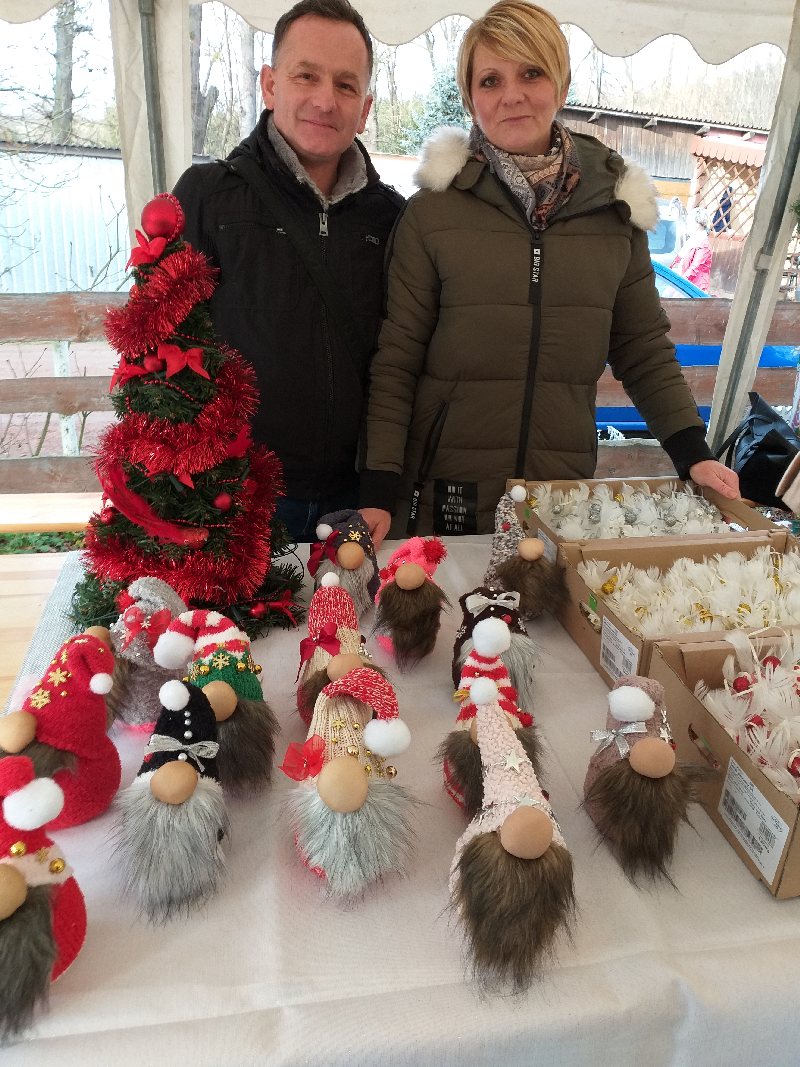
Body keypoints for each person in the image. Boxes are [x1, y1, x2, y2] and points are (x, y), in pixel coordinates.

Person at [358, 0, 738, 545]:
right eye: (490, 80)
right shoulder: (432, 214)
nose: (511, 94)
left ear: (561, 85)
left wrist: (692, 453)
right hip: (446, 490)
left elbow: (642, 348)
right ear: (470, 97)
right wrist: (378, 486)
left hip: (559, 493)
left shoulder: (615, 213)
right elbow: (396, 360)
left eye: (531, 73)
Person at [173, 0, 404, 541]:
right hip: (234, 501)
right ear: (270, 85)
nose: (325, 100)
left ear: (365, 109)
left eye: (346, 85)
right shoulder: (207, 197)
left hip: (355, 504)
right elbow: (162, 350)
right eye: (307, 76)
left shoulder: (392, 218)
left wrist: (380, 487)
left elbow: (401, 361)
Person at [671, 207, 714, 292]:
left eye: (689, 222)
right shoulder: (691, 241)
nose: (687, 225)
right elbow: (679, 260)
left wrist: (679, 283)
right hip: (686, 284)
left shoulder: (704, 245)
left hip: (696, 288)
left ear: (697, 224)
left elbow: (694, 268)